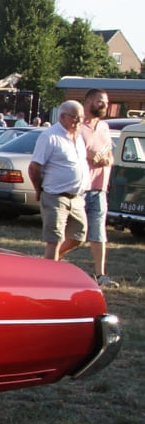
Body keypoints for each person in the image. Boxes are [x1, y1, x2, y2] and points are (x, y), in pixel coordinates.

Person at [28, 101, 90, 263]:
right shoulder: (50, 136)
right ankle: (49, 275)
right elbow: (34, 167)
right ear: (62, 116)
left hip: (76, 197)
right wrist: (38, 190)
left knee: (78, 236)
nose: (79, 122)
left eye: (82, 118)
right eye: (75, 118)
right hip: (55, 196)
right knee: (54, 239)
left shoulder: (79, 137)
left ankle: (50, 263)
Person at [80, 88, 118, 286]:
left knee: (98, 231)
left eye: (106, 101)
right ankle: (50, 263)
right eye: (100, 101)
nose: (104, 104)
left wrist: (107, 159)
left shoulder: (104, 127)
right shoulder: (77, 126)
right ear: (88, 102)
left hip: (99, 188)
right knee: (73, 234)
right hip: (79, 189)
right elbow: (70, 151)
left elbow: (110, 153)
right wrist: (89, 157)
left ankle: (100, 274)